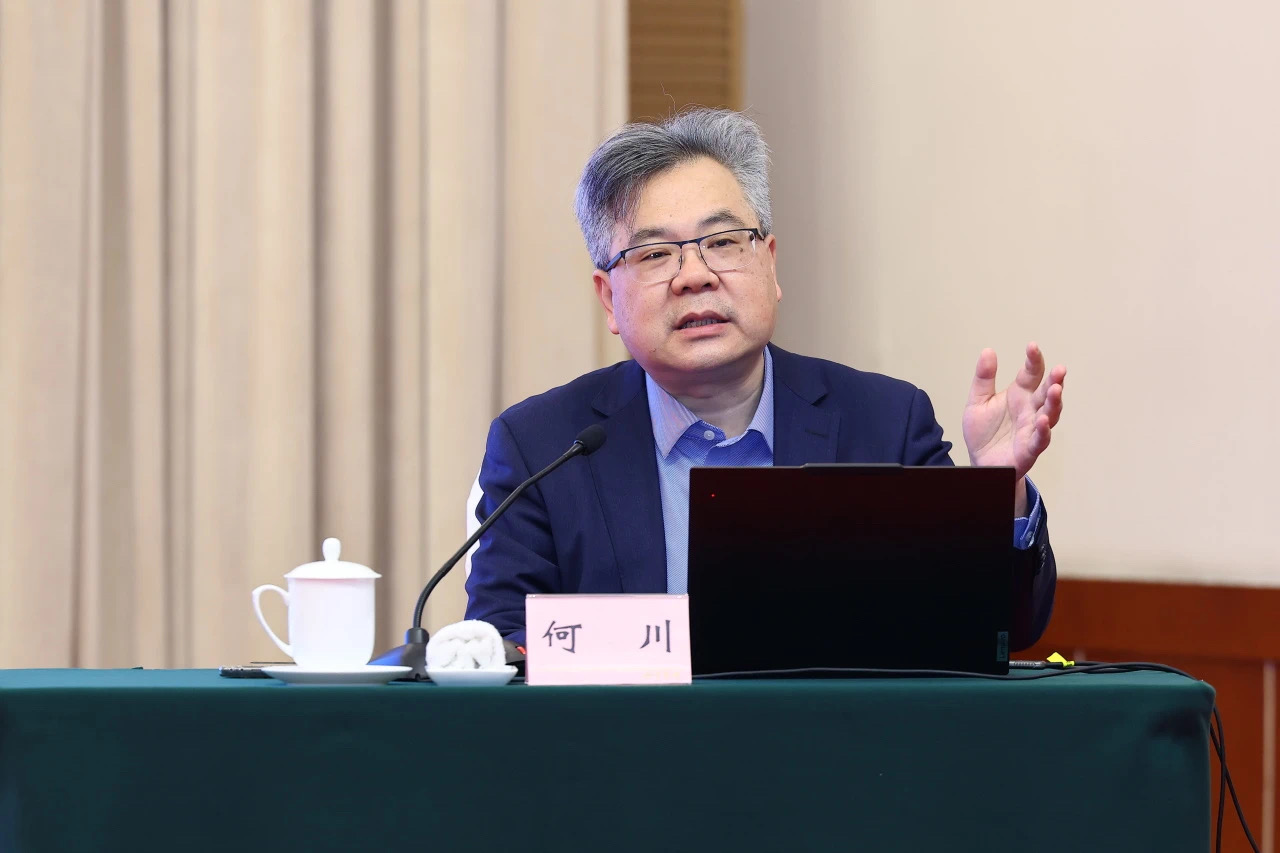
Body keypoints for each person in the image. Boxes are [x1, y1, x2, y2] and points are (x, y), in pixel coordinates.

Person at [464, 108, 1065, 650]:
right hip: (630, 740)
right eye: (655, 254)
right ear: (607, 299)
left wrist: (998, 494)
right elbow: (505, 643)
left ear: (770, 264)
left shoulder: (885, 422)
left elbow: (997, 627)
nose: (694, 275)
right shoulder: (543, 447)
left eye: (723, 242)